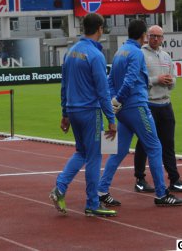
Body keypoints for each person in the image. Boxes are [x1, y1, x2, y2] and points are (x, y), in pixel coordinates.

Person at [98, 20, 182, 207]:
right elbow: (130, 80)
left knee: (118, 151)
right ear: (143, 35)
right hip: (136, 106)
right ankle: (162, 194)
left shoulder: (120, 51)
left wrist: (113, 101)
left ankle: (101, 189)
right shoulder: (137, 53)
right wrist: (118, 99)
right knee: (155, 147)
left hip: (122, 111)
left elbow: (109, 80)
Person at [49, 13, 118, 217]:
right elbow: (103, 91)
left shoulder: (71, 52)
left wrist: (65, 113)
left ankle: (60, 188)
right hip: (90, 111)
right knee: (94, 156)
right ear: (99, 29)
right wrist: (111, 119)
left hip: (73, 109)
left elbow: (64, 85)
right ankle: (92, 203)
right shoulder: (95, 55)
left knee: (81, 152)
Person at [133, 25, 182, 193]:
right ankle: (140, 178)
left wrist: (170, 81)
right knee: (144, 143)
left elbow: (173, 79)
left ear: (163, 38)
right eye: (152, 36)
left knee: (168, 143)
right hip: (148, 104)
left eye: (159, 36)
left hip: (165, 104)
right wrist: (156, 79)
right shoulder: (140, 54)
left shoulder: (166, 56)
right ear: (147, 37)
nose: (155, 39)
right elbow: (137, 80)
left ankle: (174, 179)